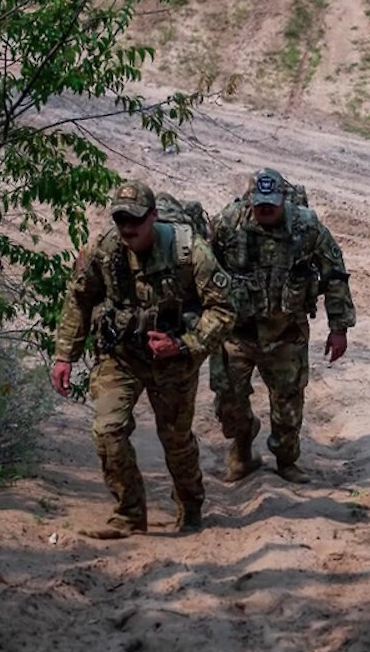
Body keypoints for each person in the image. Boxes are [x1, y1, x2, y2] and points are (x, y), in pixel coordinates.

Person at [50, 181, 235, 539]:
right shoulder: (104, 250)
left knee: (176, 440)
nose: (127, 228)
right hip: (121, 356)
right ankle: (129, 513)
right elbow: (79, 299)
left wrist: (184, 343)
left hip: (174, 360)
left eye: (135, 219)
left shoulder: (189, 252)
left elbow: (225, 311)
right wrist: (64, 355)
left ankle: (191, 505)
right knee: (108, 431)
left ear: (153, 217)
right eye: (120, 219)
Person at [208, 168, 356, 484]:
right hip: (237, 332)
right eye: (259, 203)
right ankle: (243, 445)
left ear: (283, 200)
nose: (265, 210)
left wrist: (339, 326)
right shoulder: (227, 224)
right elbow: (202, 268)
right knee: (227, 400)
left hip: (286, 332)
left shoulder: (307, 226)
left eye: (271, 204)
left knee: (288, 405)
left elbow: (334, 272)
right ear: (249, 200)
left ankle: (287, 461)